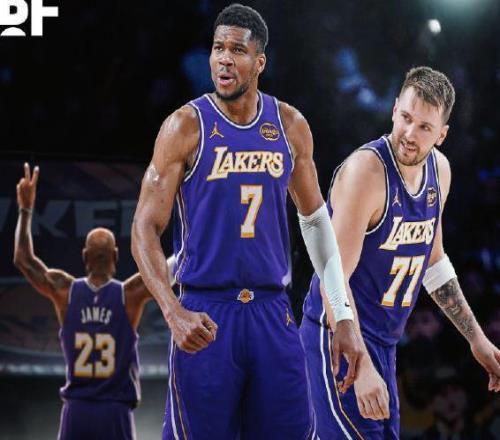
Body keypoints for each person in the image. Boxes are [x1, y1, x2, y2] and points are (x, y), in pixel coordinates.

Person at [131, 4, 362, 439]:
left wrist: (343, 315)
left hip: (272, 311)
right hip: (206, 310)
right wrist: (172, 312)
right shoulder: (184, 126)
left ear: (259, 62)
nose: (223, 59)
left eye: (237, 50)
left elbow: (315, 222)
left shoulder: (290, 126)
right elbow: (144, 227)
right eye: (218, 48)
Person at [300, 66, 500, 439]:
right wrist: (360, 366)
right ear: (394, 110)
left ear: (441, 135)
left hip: (383, 345)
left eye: (424, 127)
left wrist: (476, 338)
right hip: (338, 338)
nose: (409, 133)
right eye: (405, 118)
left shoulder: (440, 172)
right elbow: (332, 276)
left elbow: (433, 262)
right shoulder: (366, 172)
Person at [13, 163, 162, 440]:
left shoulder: (64, 291)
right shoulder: (129, 295)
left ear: (84, 257)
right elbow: (170, 268)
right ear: (116, 257)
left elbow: (23, 260)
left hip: (77, 411)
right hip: (115, 412)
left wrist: (25, 209)